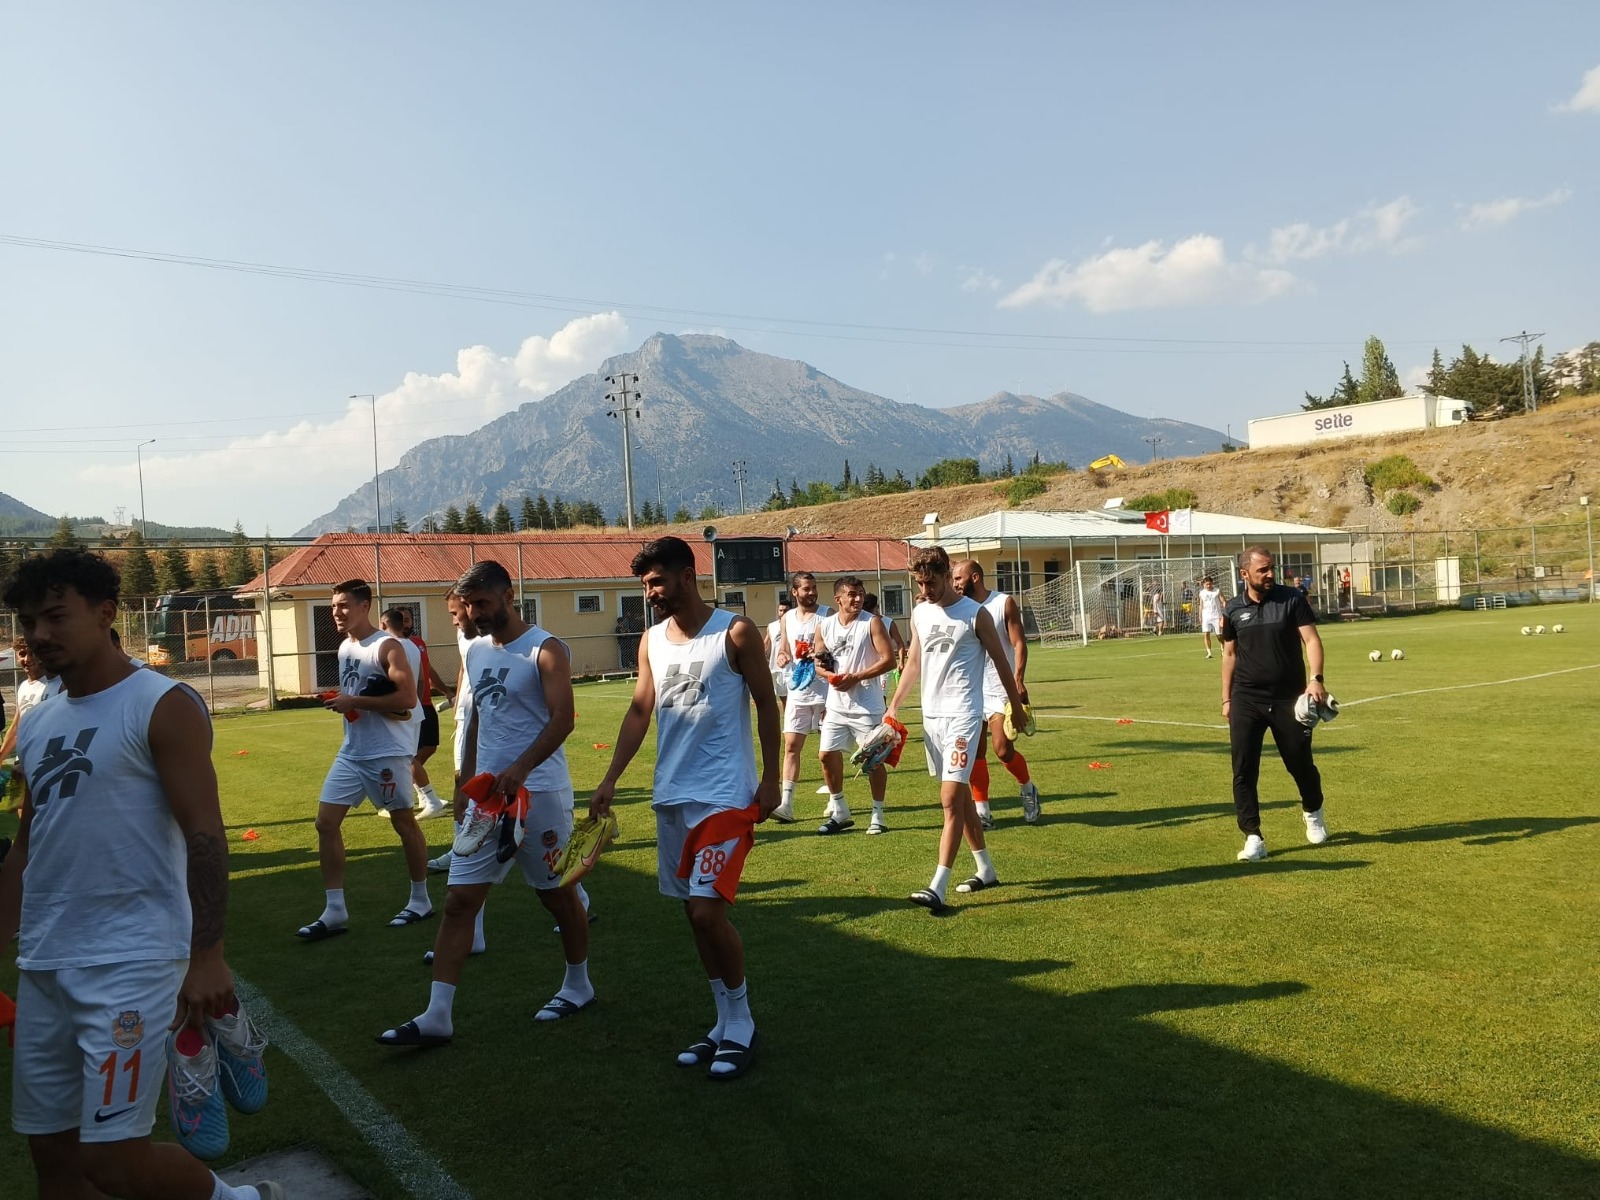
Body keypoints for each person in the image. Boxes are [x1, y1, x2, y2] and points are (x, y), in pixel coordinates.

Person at [0, 550, 281, 1200]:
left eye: (54, 616)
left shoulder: (162, 704)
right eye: (28, 620)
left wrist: (207, 955)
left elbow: (205, 837)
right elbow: (25, 848)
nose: (39, 634)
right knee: (54, 1159)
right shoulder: (39, 721)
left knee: (114, 1162)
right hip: (44, 964)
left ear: (106, 613)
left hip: (128, 963)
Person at [590, 536, 780, 1080]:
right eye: (645, 584)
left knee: (705, 910)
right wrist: (609, 779)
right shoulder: (651, 640)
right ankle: (722, 1021)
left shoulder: (736, 632)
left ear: (686, 575)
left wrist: (771, 779)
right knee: (691, 916)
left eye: (656, 582)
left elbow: (768, 704)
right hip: (671, 792)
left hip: (724, 794)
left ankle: (742, 1021)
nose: (649, 593)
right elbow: (639, 711)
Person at [378, 561, 591, 1045]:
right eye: (469, 606)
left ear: (508, 596)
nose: (475, 614)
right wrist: (465, 781)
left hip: (541, 795)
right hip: (487, 800)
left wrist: (521, 768)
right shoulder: (474, 651)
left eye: (483, 604)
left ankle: (578, 985)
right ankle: (437, 1015)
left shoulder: (546, 648)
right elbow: (474, 720)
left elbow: (563, 720)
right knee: (459, 902)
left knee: (557, 895)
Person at [887, 546, 1027, 913]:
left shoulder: (975, 615)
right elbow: (914, 662)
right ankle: (985, 868)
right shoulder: (919, 612)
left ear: (947, 574)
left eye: (930, 582)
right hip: (932, 718)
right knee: (961, 799)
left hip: (965, 715)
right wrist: (893, 709)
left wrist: (1015, 706)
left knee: (950, 798)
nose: (925, 589)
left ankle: (938, 885)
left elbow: (1001, 661)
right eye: (919, 582)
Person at [296, 579, 431, 939]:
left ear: (364, 606)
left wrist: (353, 702)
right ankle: (335, 910)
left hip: (387, 751)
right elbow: (356, 695)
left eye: (343, 605)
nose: (336, 612)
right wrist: (345, 699)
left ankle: (421, 899)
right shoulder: (344, 648)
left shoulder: (387, 647)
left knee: (403, 823)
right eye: (334, 606)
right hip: (353, 750)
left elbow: (406, 699)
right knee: (325, 823)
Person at [1220, 547, 1330, 862]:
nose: (1270, 575)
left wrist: (1316, 679)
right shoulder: (1233, 609)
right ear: (1244, 574)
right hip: (1246, 698)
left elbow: (1311, 640)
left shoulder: (1291, 599)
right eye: (1263, 570)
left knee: (1299, 763)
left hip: (1288, 698)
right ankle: (1253, 836)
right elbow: (1230, 655)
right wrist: (1227, 699)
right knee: (1243, 769)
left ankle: (1313, 810)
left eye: (1272, 569)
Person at [951, 560, 1040, 827]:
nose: (955, 583)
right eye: (953, 578)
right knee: (975, 752)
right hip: (970, 690)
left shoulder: (1003, 603)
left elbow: (1019, 642)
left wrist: (1018, 678)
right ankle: (982, 811)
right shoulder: (957, 609)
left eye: (958, 578)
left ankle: (1027, 788)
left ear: (975, 577)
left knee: (1002, 750)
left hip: (1000, 688)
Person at [813, 576, 895, 836]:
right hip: (837, 706)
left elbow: (889, 660)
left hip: (867, 706)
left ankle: (878, 814)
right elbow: (819, 662)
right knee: (826, 754)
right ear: (838, 599)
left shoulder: (872, 623)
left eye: (860, 593)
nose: (858, 598)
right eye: (852, 594)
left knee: (873, 761)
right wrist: (830, 677)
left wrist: (856, 677)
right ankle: (840, 811)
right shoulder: (824, 626)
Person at [771, 572, 831, 824]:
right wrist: (783, 656)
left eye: (814, 588)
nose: (812, 592)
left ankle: (835, 801)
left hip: (825, 691)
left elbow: (833, 649)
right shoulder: (786, 619)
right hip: (798, 691)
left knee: (828, 751)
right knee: (791, 747)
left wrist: (819, 654)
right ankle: (786, 804)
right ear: (795, 592)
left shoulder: (827, 614)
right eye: (807, 589)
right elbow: (784, 647)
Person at [397, 606, 453, 819]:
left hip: (426, 704)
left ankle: (416, 788)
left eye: (408, 619)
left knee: (429, 747)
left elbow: (428, 672)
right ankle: (425, 796)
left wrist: (447, 691)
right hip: (409, 707)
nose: (406, 623)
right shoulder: (391, 646)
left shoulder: (419, 643)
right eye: (401, 619)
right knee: (409, 756)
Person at [0, 637, 63, 767]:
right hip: (24, 759)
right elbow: (16, 726)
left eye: (32, 654)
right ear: (16, 658)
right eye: (22, 654)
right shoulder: (23, 686)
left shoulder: (59, 685)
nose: (27, 659)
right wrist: (1, 756)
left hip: (47, 761)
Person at [863, 592, 907, 670]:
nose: (868, 614)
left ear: (877, 607)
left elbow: (899, 643)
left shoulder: (889, 622)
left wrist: (901, 662)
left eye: (870, 611)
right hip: (868, 667)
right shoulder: (863, 623)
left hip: (885, 667)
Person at [762, 594, 793, 703]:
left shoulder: (796, 625)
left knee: (794, 699)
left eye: (786, 611)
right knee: (783, 699)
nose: (782, 613)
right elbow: (766, 644)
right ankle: (786, 720)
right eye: (780, 610)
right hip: (776, 668)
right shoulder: (771, 626)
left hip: (792, 668)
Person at [1198, 575, 1224, 659]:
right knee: (1206, 633)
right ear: (1203, 585)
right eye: (1206, 584)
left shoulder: (1217, 591)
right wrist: (1200, 616)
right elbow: (1201, 605)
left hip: (1217, 615)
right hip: (1206, 616)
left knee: (1219, 635)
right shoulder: (1202, 593)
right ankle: (1209, 652)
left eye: (1210, 584)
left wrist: (1225, 613)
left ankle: (1224, 647)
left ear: (1212, 583)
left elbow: (1223, 601)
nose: (1208, 586)